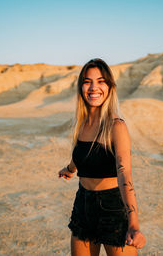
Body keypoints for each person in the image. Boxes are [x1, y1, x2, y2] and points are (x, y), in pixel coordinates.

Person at [58, 58, 146, 256]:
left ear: (110, 87)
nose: (93, 87)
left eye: (101, 81)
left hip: (112, 208)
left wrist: (133, 225)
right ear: (81, 87)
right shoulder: (81, 123)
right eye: (87, 81)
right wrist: (70, 169)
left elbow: (125, 174)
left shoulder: (116, 126)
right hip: (83, 205)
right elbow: (82, 154)